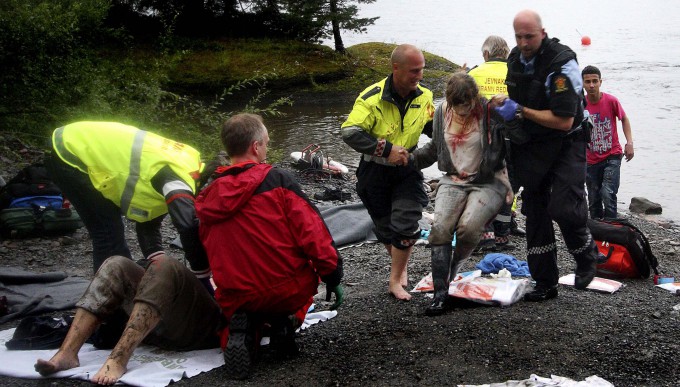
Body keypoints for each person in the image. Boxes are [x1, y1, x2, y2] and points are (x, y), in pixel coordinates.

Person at [195, 113, 344, 379]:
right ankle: (285, 322)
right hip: (285, 287)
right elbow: (313, 235)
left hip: (235, 291)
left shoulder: (208, 194)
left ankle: (240, 329)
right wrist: (332, 275)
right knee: (299, 281)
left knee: (239, 302)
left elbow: (205, 246)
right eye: (265, 143)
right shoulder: (278, 180)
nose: (266, 147)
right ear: (255, 147)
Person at [492, 10, 600, 301]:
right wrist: (503, 107)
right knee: (535, 211)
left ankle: (586, 253)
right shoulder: (515, 59)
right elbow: (517, 100)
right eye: (519, 37)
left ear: (543, 32)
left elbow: (564, 120)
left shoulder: (562, 63)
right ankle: (545, 283)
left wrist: (520, 110)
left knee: (564, 205)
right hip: (533, 144)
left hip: (568, 141)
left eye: (529, 36)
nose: (524, 42)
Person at [44, 122, 211, 287]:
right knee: (108, 233)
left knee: (111, 233)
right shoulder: (177, 182)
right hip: (69, 152)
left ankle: (120, 290)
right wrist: (203, 278)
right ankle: (107, 303)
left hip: (76, 141)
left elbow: (149, 221)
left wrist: (157, 261)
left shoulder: (191, 165)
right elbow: (188, 226)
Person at [34, 254, 222, 385]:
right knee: (116, 264)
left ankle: (118, 358)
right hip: (164, 323)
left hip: (206, 328)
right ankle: (67, 353)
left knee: (165, 264)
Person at [411, 72, 512, 315]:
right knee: (440, 229)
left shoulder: (490, 110)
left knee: (467, 229)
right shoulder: (441, 112)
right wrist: (408, 160)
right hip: (452, 179)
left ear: (475, 98)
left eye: (467, 105)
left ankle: (454, 267)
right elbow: (434, 149)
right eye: (458, 106)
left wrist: (510, 103)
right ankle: (440, 294)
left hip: (489, 181)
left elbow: (518, 131)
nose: (463, 111)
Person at [341, 44, 435, 301]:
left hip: (407, 170)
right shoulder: (372, 97)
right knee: (384, 228)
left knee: (405, 225)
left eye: (422, 70)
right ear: (396, 68)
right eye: (414, 71)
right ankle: (399, 268)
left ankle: (396, 280)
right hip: (374, 170)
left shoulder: (425, 96)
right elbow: (349, 132)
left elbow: (432, 128)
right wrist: (386, 150)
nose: (419, 76)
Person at [468, 35, 524, 252]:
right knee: (508, 186)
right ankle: (503, 235)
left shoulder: (474, 74)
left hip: (483, 139)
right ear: (507, 54)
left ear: (486, 54)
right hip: (512, 137)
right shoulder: (516, 74)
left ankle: (485, 236)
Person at [582, 65, 634, 219]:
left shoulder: (611, 101)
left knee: (608, 192)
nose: (591, 85)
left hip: (612, 155)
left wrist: (629, 143)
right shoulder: (580, 104)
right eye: (588, 82)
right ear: (582, 83)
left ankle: (612, 228)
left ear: (600, 82)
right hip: (590, 159)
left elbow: (624, 119)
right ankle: (598, 232)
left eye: (595, 81)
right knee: (593, 199)